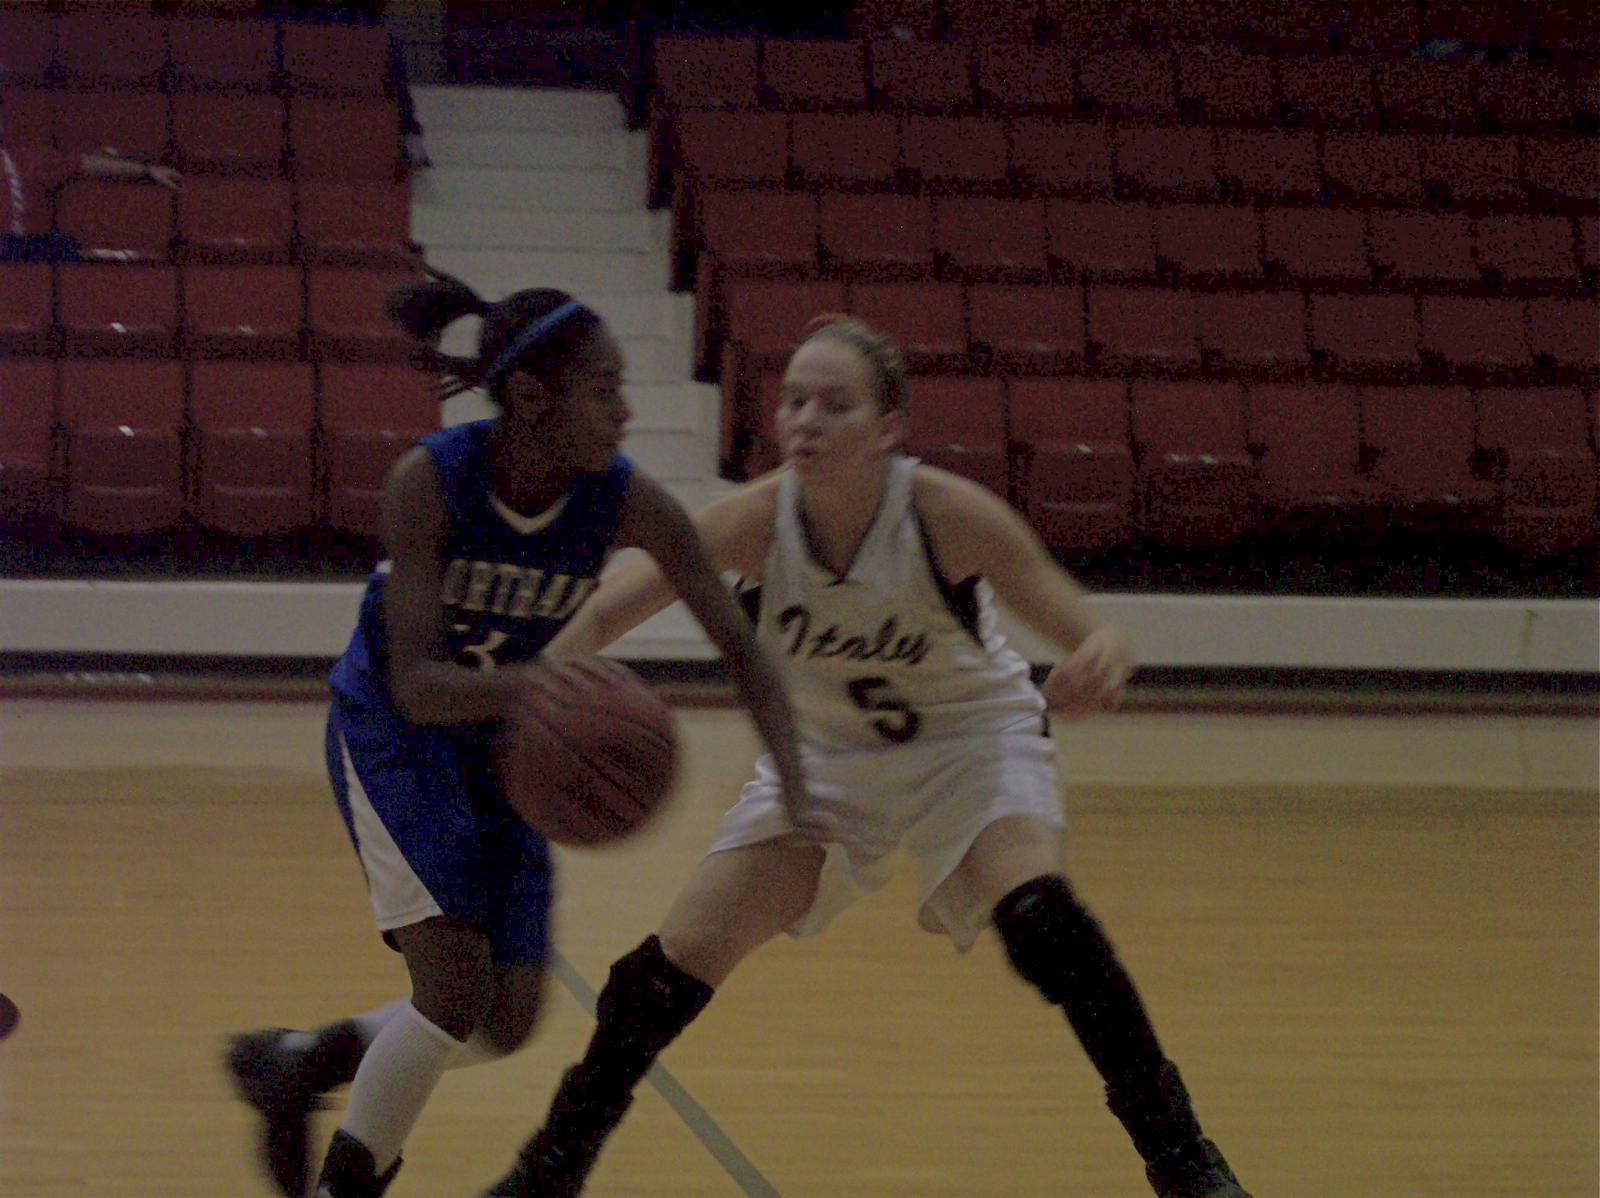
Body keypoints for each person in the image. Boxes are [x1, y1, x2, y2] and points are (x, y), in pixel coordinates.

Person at [479, 316, 1256, 1198]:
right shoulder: (750, 523)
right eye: (794, 402)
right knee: (663, 972)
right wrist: (526, 702)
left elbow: (1090, 627)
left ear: (887, 428)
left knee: (1048, 927)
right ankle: (546, 1174)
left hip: (971, 744)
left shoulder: (946, 515)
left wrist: (1099, 658)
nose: (805, 420)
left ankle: (1185, 1163)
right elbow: (602, 613)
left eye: (833, 404)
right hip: (826, 761)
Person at [224, 272, 808, 1198]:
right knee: (453, 991)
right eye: (604, 390)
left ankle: (301, 1063)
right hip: (397, 736)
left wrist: (799, 774)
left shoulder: (626, 501)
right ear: (534, 397)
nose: (625, 411)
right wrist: (548, 685)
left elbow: (738, 642)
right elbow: (418, 685)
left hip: (503, 750)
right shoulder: (431, 481)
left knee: (507, 1020)